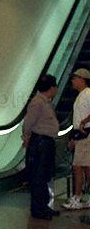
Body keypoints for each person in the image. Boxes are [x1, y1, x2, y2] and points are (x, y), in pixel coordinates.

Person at [22, 74, 60, 220]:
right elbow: (28, 124)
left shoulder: (45, 102)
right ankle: (38, 209)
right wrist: (26, 138)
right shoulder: (37, 103)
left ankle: (44, 207)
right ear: (51, 88)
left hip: (46, 143)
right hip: (40, 143)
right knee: (38, 176)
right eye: (55, 86)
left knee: (44, 176)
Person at [63, 67, 90, 209]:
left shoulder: (87, 94)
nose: (72, 81)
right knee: (85, 167)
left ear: (81, 79)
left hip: (86, 134)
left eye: (75, 78)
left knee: (78, 166)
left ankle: (78, 197)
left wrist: (84, 122)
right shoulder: (81, 95)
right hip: (81, 135)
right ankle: (81, 197)